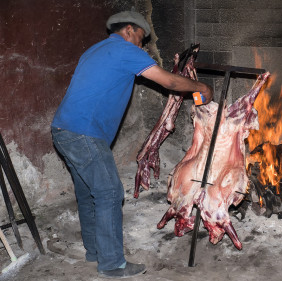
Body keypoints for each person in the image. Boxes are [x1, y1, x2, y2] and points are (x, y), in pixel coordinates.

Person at [50, 10, 213, 279]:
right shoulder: (126, 50)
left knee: (89, 192)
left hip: (63, 129)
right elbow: (170, 81)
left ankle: (96, 252)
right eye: (140, 37)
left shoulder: (94, 51)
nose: (142, 45)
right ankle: (112, 264)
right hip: (83, 133)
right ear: (128, 30)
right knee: (109, 193)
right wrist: (202, 87)